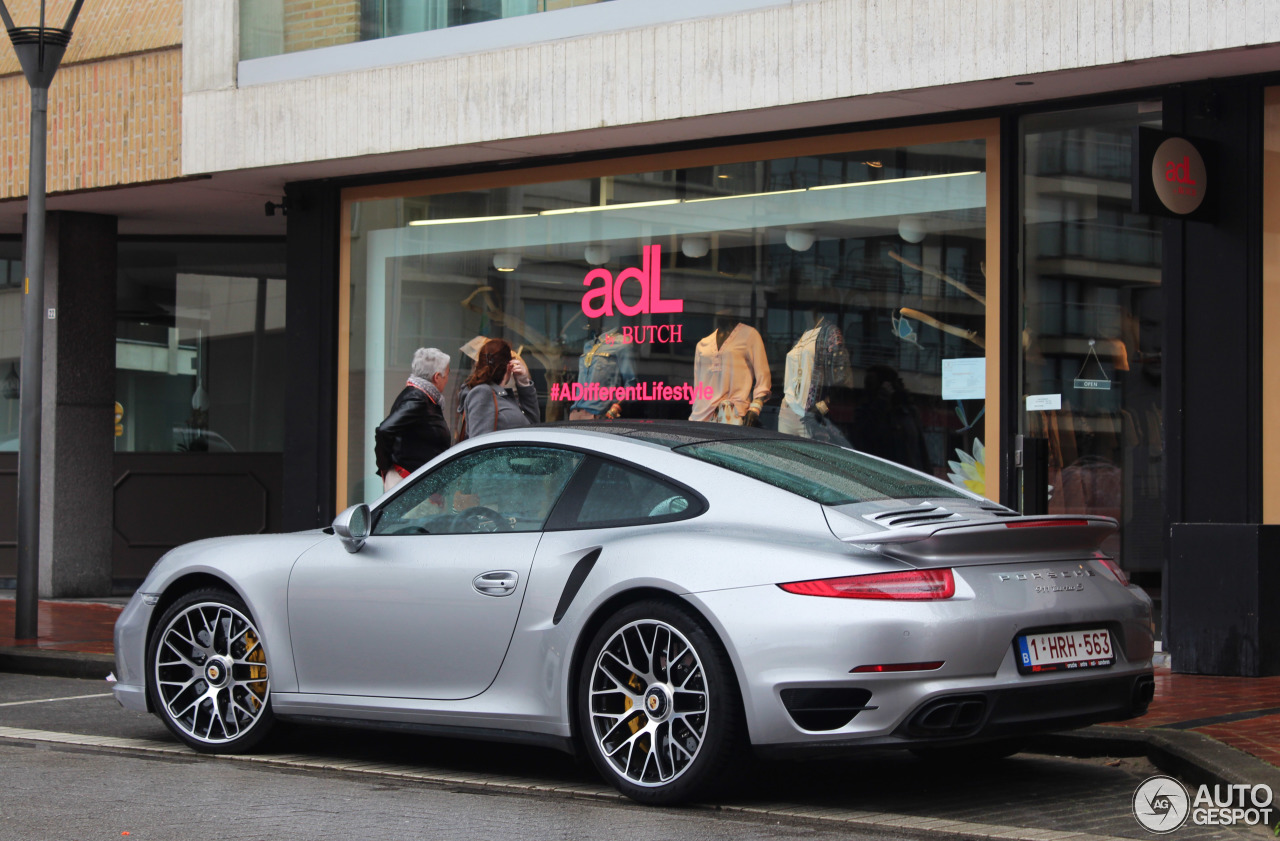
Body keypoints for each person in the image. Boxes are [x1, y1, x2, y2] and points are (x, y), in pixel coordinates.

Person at [374, 347, 452, 493]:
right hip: (408, 484)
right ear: (437, 377)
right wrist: (386, 467)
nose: (447, 379)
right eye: (447, 375)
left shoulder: (422, 397)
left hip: (414, 483)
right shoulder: (417, 399)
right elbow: (384, 430)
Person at [456, 338, 539, 439]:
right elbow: (480, 445)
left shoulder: (500, 396)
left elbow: (533, 425)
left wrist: (524, 383)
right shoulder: (483, 393)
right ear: (509, 366)